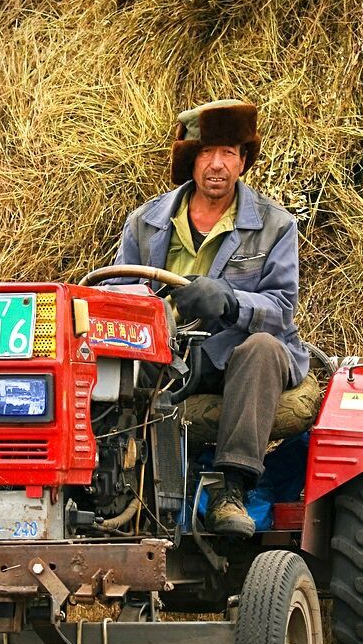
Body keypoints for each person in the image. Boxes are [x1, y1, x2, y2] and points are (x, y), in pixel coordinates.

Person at [114, 99, 309, 537]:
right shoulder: (145, 223)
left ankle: (230, 490)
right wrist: (153, 310)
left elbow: (281, 309)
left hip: (238, 356)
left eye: (228, 153)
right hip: (170, 356)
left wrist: (232, 301)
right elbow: (116, 296)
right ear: (191, 161)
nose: (217, 165)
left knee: (260, 348)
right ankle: (114, 487)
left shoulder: (276, 225)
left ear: (243, 161)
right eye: (206, 153)